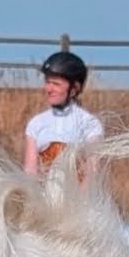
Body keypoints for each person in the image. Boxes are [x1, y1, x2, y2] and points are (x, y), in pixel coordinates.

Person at [23, 49, 104, 177]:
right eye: (47, 82)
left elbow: (92, 173)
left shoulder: (90, 124)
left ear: (74, 88)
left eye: (56, 84)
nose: (49, 89)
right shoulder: (36, 123)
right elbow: (30, 172)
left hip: (77, 195)